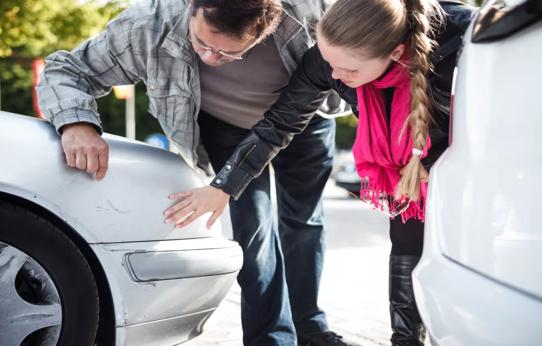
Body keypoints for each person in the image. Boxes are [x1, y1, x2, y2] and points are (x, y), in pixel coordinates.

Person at [37, 0, 354, 345]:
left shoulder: (307, 14)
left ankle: (309, 326)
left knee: (304, 222)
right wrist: (77, 124)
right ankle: (272, 338)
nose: (211, 59)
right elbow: (65, 69)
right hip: (228, 127)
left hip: (304, 120)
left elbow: (365, 61)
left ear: (267, 28)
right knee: (254, 230)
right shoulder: (148, 25)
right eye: (203, 43)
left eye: (230, 54)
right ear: (192, 7)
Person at [164, 0, 475, 344]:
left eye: (349, 72)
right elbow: (278, 124)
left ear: (397, 53)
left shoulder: (463, 47)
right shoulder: (330, 61)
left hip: (474, 167)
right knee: (406, 241)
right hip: (407, 170)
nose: (335, 77)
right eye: (329, 63)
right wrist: (223, 186)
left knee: (470, 259)